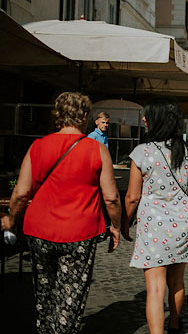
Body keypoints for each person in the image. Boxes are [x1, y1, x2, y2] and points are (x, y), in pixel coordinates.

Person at [0, 92, 122, 334]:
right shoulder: (97, 150)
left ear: (58, 115)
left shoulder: (38, 146)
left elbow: (21, 194)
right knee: (71, 298)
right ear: (86, 116)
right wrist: (116, 226)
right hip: (80, 233)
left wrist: (11, 220)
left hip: (39, 231)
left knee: (44, 295)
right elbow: (111, 197)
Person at [124, 99, 188, 334]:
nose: (143, 119)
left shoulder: (142, 152)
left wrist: (123, 224)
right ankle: (174, 324)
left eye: (147, 115)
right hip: (182, 223)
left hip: (153, 226)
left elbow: (132, 197)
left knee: (154, 288)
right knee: (176, 282)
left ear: (157, 120)